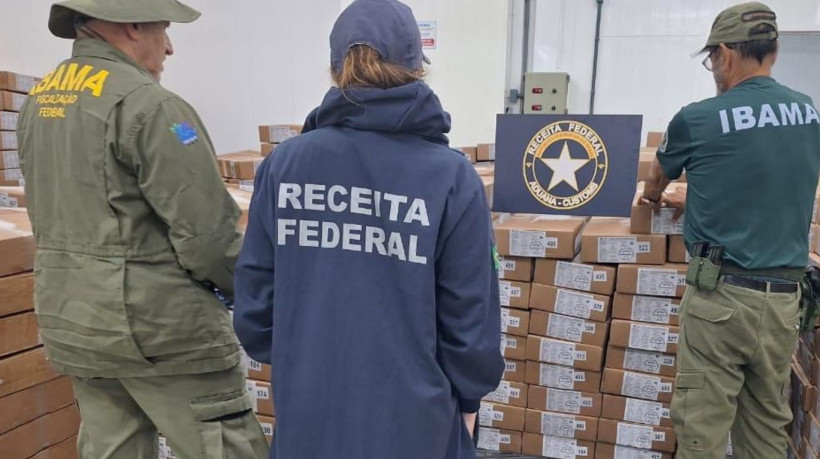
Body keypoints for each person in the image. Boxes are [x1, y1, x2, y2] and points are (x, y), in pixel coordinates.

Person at [232, 0, 505, 457]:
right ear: (418, 68)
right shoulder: (451, 178)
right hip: (415, 425)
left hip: (309, 416)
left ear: (336, 69)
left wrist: (305, 358)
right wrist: (470, 396)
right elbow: (471, 321)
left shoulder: (285, 166)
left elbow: (256, 310)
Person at [17, 1, 269, 457]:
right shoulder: (151, 106)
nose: (169, 47)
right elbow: (209, 240)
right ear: (133, 24)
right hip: (161, 333)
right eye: (164, 29)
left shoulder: (40, 101)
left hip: (75, 324)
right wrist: (261, 296)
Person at [641, 2, 820, 458]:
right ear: (773, 51)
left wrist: (659, 197)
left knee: (702, 428)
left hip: (720, 300)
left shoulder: (698, 118)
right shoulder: (808, 114)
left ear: (725, 53)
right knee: (765, 428)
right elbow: (765, 175)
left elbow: (656, 182)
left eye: (712, 60)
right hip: (784, 302)